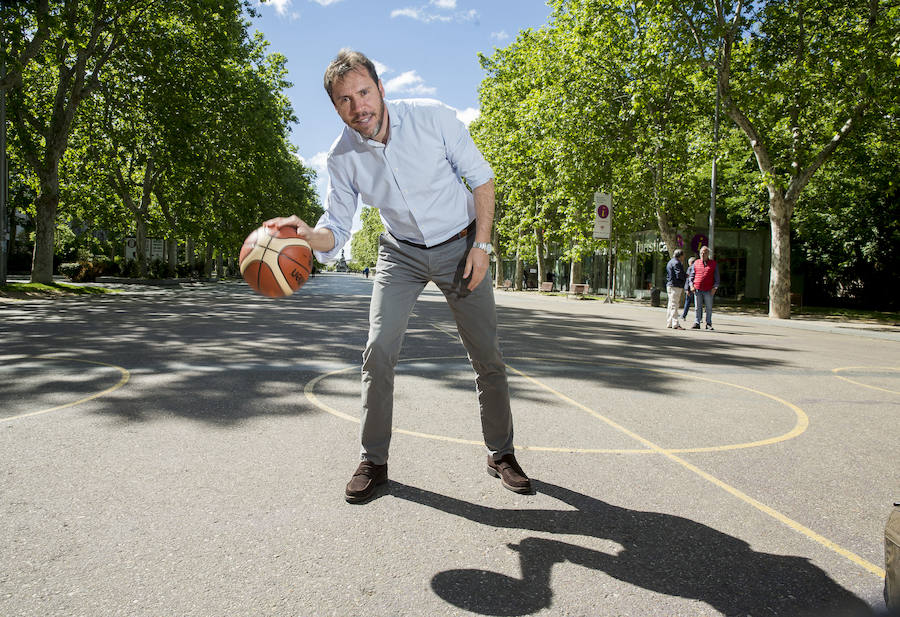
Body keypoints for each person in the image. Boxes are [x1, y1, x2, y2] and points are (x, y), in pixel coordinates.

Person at [264, 49, 530, 503]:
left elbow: (482, 180)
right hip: (400, 253)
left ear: (381, 88)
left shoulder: (431, 118)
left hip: (461, 246)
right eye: (345, 100)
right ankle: (374, 461)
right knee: (378, 350)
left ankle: (500, 453)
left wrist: (482, 247)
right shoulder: (342, 157)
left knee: (488, 356)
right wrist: (309, 235)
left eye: (364, 92)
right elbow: (337, 229)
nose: (358, 106)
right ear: (335, 107)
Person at [691, 245, 720, 330]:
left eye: (705, 253)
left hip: (709, 289)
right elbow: (691, 276)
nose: (703, 254)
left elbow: (717, 278)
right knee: (697, 307)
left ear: (708, 254)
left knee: (709, 307)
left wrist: (715, 288)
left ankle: (708, 323)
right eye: (701, 253)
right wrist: (691, 286)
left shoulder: (713, 264)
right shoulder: (696, 263)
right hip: (697, 288)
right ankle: (697, 322)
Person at [664, 248, 686, 329]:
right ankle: (675, 323)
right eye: (683, 256)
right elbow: (679, 274)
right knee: (674, 305)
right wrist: (684, 277)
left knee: (670, 305)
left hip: (670, 285)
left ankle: (669, 322)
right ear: (680, 255)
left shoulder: (670, 262)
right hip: (676, 286)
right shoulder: (677, 263)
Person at [681, 256, 696, 321]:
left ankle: (684, 315)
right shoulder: (697, 268)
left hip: (690, 288)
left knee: (687, 302)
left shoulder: (690, 268)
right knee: (697, 304)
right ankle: (699, 317)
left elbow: (688, 279)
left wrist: (686, 289)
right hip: (697, 287)